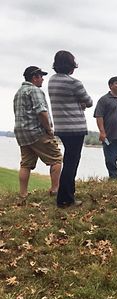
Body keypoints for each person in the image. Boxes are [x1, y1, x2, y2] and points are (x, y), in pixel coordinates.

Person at [48, 50, 93, 208]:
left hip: (61, 127)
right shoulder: (74, 83)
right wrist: (79, 104)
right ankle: (65, 198)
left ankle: (69, 192)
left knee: (68, 160)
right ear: (70, 66)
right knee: (71, 163)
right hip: (75, 127)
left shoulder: (51, 81)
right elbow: (89, 102)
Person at [13, 66, 62, 203]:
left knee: (26, 164)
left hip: (22, 134)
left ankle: (23, 194)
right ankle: (55, 189)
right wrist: (48, 129)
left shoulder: (18, 92)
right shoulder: (35, 90)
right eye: (41, 76)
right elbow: (41, 112)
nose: (43, 79)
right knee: (56, 158)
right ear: (34, 77)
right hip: (36, 132)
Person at [94, 77, 117, 179]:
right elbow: (99, 116)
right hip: (109, 135)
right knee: (110, 159)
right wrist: (102, 132)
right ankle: (113, 176)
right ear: (110, 86)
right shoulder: (104, 100)